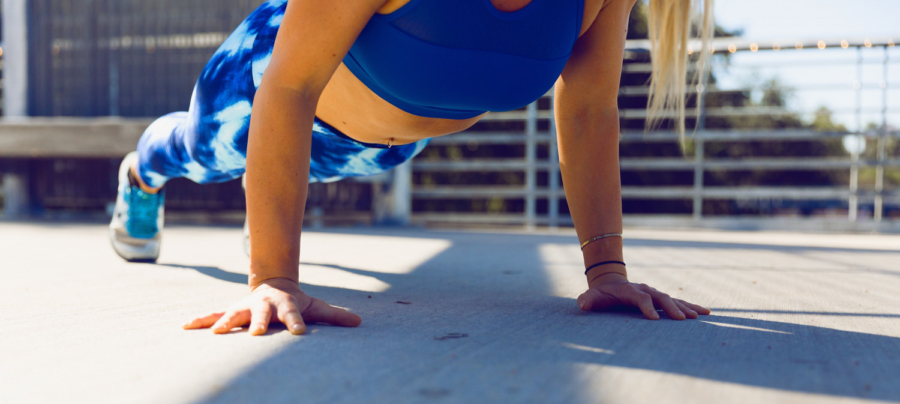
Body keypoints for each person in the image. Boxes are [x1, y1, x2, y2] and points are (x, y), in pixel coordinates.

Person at [109, 0, 714, 336]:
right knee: (195, 152)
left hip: (381, 148)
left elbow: (586, 111)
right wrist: (275, 278)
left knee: (292, 176)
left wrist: (606, 270)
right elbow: (289, 87)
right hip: (261, 89)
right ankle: (140, 176)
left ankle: (264, 206)